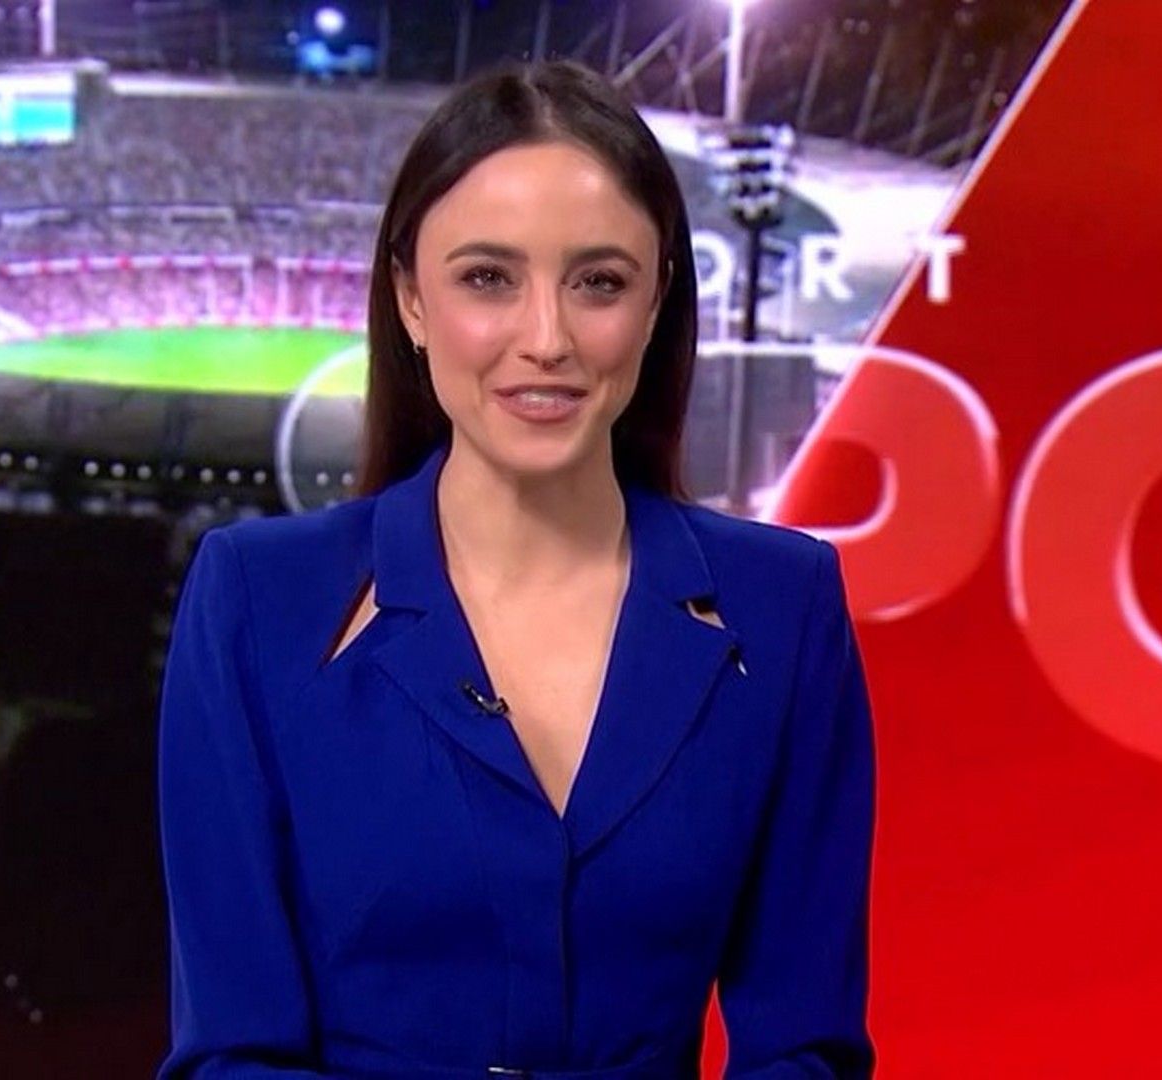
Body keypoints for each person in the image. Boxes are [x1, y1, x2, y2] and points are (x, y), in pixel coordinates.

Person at [157, 58, 876, 1079]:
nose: (547, 339)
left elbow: (806, 1049)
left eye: (599, 283)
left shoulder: (783, 606)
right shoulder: (258, 600)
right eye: (488, 279)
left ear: (658, 299)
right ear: (411, 298)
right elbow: (232, 1055)